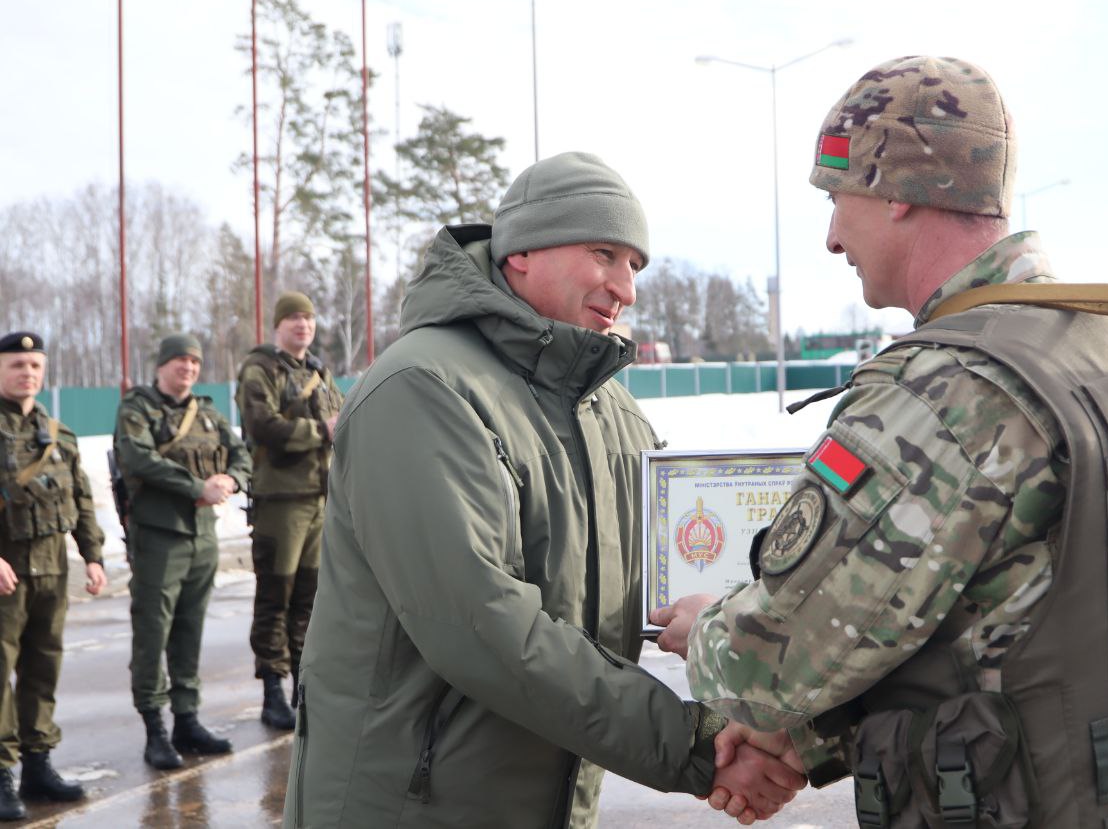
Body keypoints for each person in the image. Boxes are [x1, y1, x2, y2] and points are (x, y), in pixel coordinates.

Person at [654, 56, 1108, 827]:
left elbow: (769, 664)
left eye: (837, 197)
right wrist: (803, 743)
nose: (831, 237)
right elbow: (1005, 622)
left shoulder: (949, 393)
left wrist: (705, 634)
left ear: (896, 190)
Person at [285, 151, 805, 828]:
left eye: (635, 265)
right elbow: (483, 626)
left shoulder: (614, 415)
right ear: (523, 251)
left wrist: (748, 661)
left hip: (552, 802)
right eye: (604, 254)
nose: (626, 287)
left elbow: (671, 578)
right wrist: (696, 744)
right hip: (408, 805)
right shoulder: (422, 389)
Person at [114, 334, 251, 771]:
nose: (188, 368)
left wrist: (231, 479)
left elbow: (240, 453)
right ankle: (154, 728)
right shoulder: (138, 408)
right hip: (159, 536)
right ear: (161, 366)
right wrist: (197, 487)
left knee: (190, 629)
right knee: (153, 631)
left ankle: (187, 719)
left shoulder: (208, 412)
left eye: (194, 362)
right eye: (179, 361)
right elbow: (138, 458)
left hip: (202, 536)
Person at [0, 332, 106, 821]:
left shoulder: (59, 434)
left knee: (43, 666)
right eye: (17, 364)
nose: (28, 373)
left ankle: (37, 764)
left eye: (35, 366)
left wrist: (93, 556)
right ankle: (2, 773)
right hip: (6, 571)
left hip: (51, 565)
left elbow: (81, 499)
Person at [236, 292, 342, 731]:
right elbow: (263, 425)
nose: (303, 325)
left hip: (319, 498)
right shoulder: (260, 368)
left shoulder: (318, 371)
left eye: (309, 318)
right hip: (281, 500)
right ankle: (272, 692)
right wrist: (321, 430)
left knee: (310, 599)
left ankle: (304, 686)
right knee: (275, 597)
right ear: (278, 325)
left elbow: (342, 419)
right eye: (294, 318)